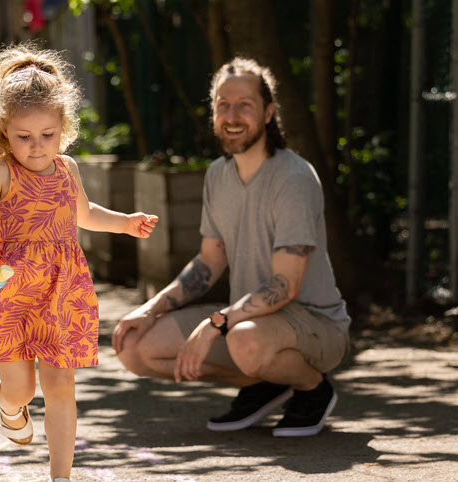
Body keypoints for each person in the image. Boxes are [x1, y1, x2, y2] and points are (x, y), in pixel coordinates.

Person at [0, 43, 158, 481]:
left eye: (48, 134)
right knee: (20, 387)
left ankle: (60, 475)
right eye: (24, 136)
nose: (37, 146)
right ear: (4, 129)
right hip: (12, 292)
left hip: (62, 291)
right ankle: (9, 408)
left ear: (63, 126)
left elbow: (85, 214)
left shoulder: (67, 169)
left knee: (61, 386)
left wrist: (126, 224)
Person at [112, 57, 351, 438]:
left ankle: (311, 387)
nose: (232, 114)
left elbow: (285, 285)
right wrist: (149, 308)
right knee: (135, 346)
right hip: (251, 323)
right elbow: (209, 263)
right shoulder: (218, 176)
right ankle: (265, 382)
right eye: (223, 104)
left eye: (245, 104)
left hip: (314, 326)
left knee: (243, 340)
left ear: (269, 113)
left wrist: (215, 324)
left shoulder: (293, 178)